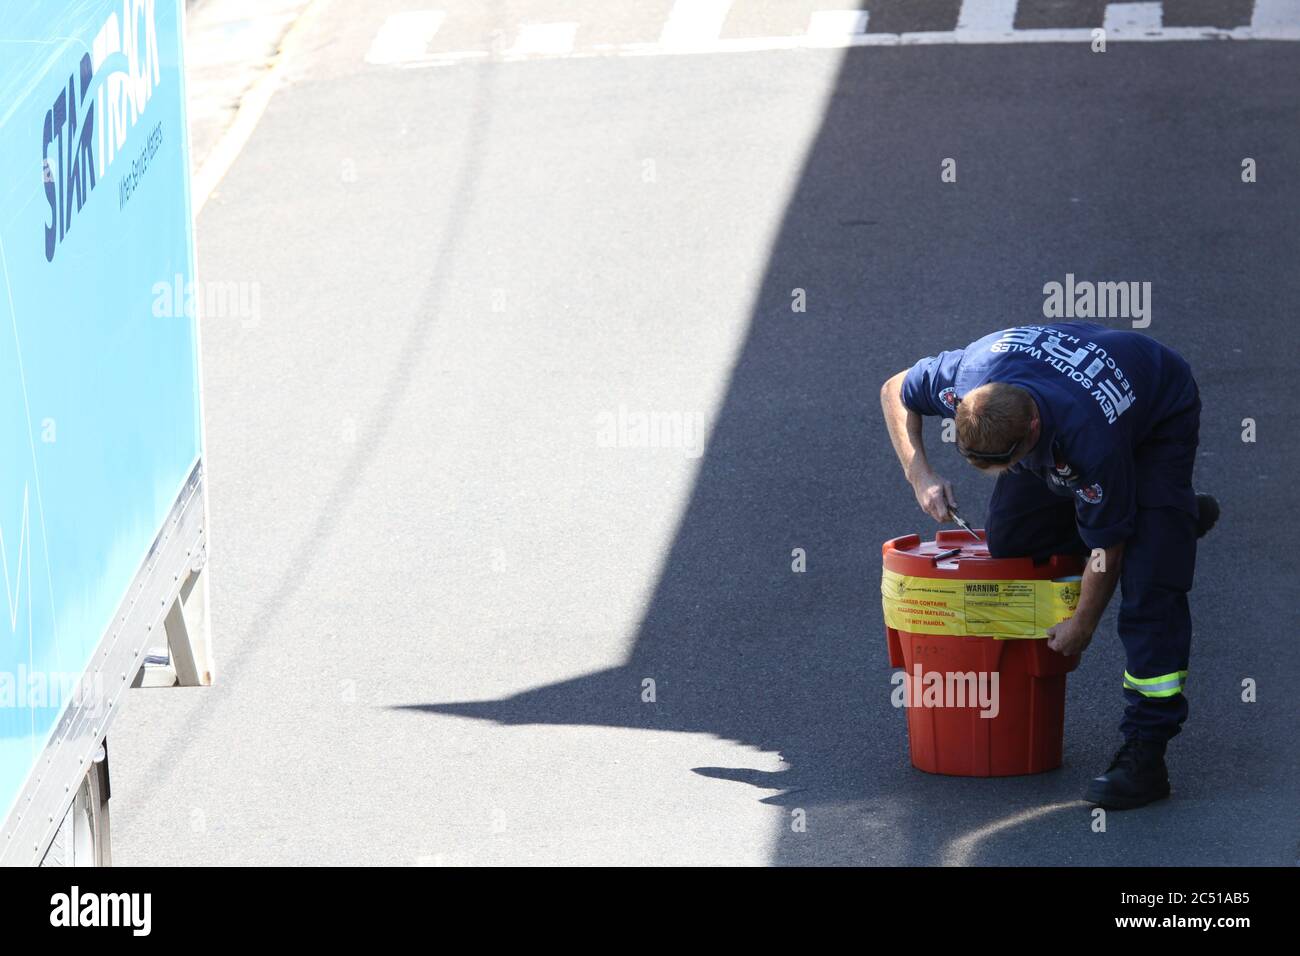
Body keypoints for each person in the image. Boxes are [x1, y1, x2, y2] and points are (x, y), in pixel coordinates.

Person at [880, 321, 1218, 809]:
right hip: (1062, 391)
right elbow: (896, 389)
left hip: (1155, 412)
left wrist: (1082, 623)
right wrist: (921, 474)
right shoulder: (968, 377)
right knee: (1013, 542)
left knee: (1151, 583)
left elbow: (1108, 550)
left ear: (1032, 430)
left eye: (1005, 462)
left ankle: (1147, 753)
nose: (994, 475)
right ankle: (1169, 522)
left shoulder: (1088, 440)